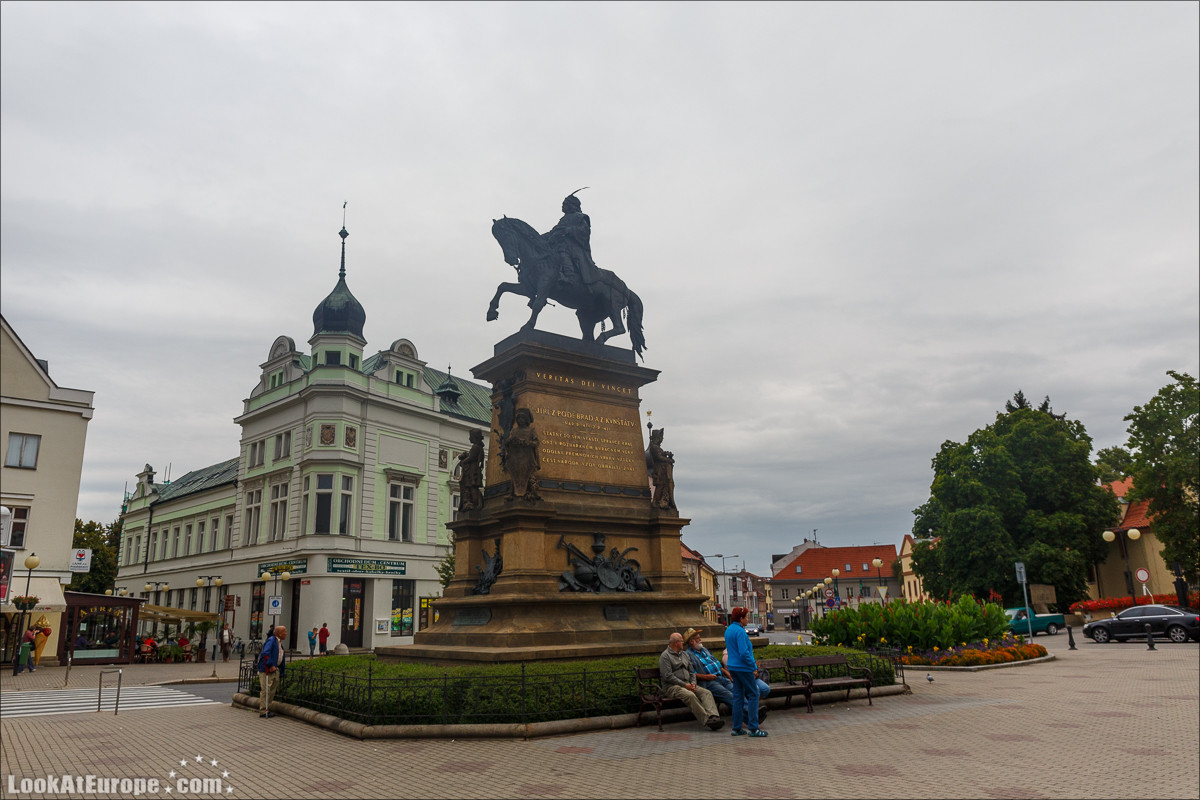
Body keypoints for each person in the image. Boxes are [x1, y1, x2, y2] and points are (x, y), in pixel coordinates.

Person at [684, 627, 769, 723]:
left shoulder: (704, 650)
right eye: (698, 638)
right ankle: (753, 716)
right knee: (729, 695)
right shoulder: (688, 655)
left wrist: (728, 674)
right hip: (708, 682)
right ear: (691, 642)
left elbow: (718, 665)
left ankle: (751, 716)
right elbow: (692, 674)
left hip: (720, 678)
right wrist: (707, 677)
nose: (700, 640)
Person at [658, 632, 723, 731]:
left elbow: (692, 672)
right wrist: (685, 685)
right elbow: (668, 676)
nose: (683, 643)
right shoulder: (665, 656)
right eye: (681, 641)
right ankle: (707, 720)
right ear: (675, 643)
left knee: (706, 693)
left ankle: (714, 717)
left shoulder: (684, 654)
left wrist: (693, 683)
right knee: (690, 695)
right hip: (673, 687)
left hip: (688, 684)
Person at [725, 607, 766, 737]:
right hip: (743, 667)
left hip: (733, 667)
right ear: (741, 618)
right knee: (754, 693)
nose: (748, 619)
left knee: (738, 697)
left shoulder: (729, 630)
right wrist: (753, 666)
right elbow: (744, 652)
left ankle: (736, 728)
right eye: (746, 617)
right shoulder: (740, 632)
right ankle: (753, 728)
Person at [544, 192, 600, 287]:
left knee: (562, 253)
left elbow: (584, 231)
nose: (563, 206)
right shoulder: (563, 219)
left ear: (572, 205)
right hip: (559, 244)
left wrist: (569, 230)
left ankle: (570, 277)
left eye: (565, 204)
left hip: (572, 247)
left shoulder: (580, 217)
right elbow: (554, 232)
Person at [257, 624, 287, 718]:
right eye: (284, 632)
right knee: (266, 690)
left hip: (275, 669)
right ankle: (263, 710)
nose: (286, 633)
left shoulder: (279, 642)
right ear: (279, 633)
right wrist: (270, 665)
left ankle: (267, 708)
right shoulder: (271, 640)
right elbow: (265, 653)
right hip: (267, 669)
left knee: (272, 690)